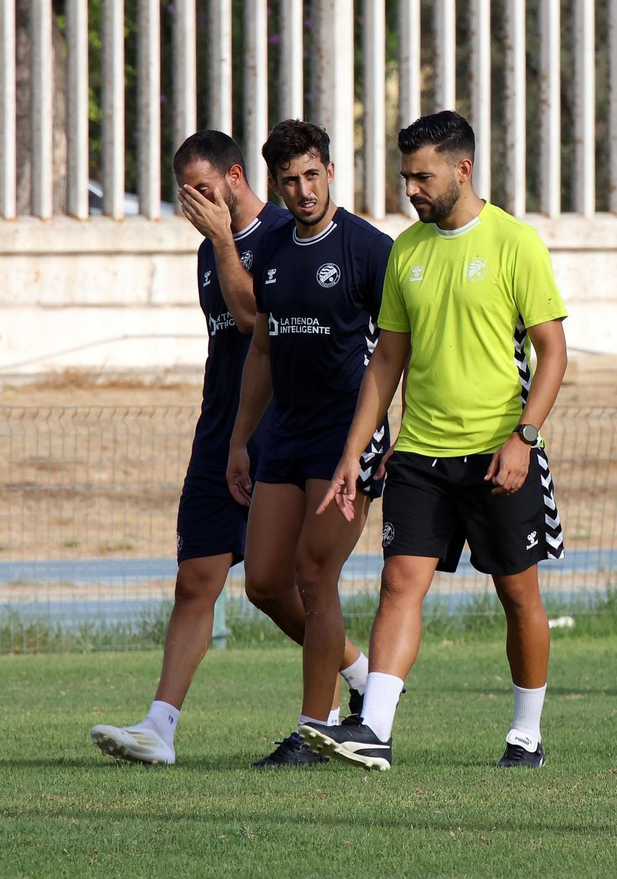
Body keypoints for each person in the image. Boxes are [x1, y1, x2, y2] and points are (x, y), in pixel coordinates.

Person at [298, 111, 568, 771]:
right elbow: (387, 360)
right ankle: (374, 730)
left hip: (499, 453)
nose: (411, 189)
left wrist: (524, 438)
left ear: (462, 170)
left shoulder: (515, 243)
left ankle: (526, 735)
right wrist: (352, 453)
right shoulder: (408, 251)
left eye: (423, 177)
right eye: (405, 178)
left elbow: (553, 352)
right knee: (398, 584)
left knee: (518, 597)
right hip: (420, 454)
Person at [89, 130, 293, 765]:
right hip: (218, 436)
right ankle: (161, 727)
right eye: (186, 195)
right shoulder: (209, 247)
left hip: (278, 435)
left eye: (204, 189)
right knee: (194, 581)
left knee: (274, 588)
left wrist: (225, 242)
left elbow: (253, 320)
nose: (196, 205)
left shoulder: (284, 235)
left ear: (235, 177)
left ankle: (360, 678)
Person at [228, 120, 393, 765]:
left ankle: (313, 730)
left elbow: (403, 349)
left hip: (346, 437)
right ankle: (357, 672)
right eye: (290, 181)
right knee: (265, 583)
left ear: (330, 172)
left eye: (312, 176)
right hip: (286, 434)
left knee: (315, 573)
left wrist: (393, 434)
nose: (304, 191)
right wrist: (241, 440)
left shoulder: (368, 250)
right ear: (275, 184)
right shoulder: (271, 249)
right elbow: (262, 350)